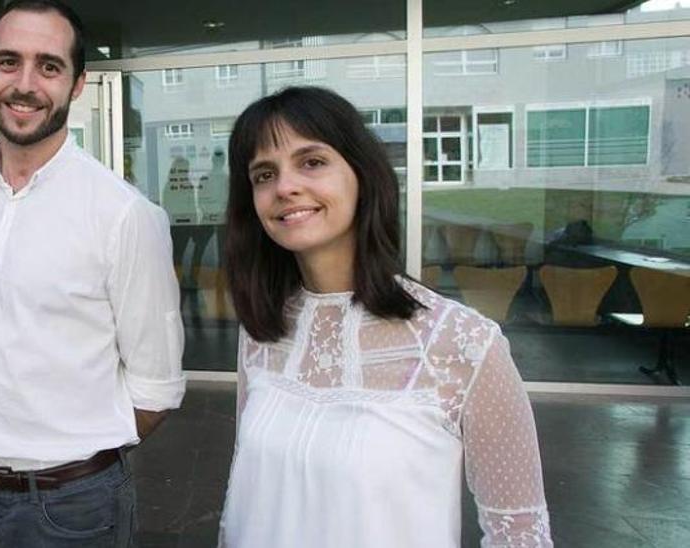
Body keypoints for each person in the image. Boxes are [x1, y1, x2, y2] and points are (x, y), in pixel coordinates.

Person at [217, 86, 552, 547]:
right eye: (263, 174)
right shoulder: (264, 329)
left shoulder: (462, 342)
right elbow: (246, 487)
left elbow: (518, 534)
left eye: (312, 162)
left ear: (362, 174)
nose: (285, 186)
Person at [0, 1, 186, 546]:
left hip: (72, 510)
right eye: (9, 62)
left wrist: (75, 457)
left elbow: (154, 392)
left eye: (49, 66)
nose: (25, 84)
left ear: (78, 84)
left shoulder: (123, 214)